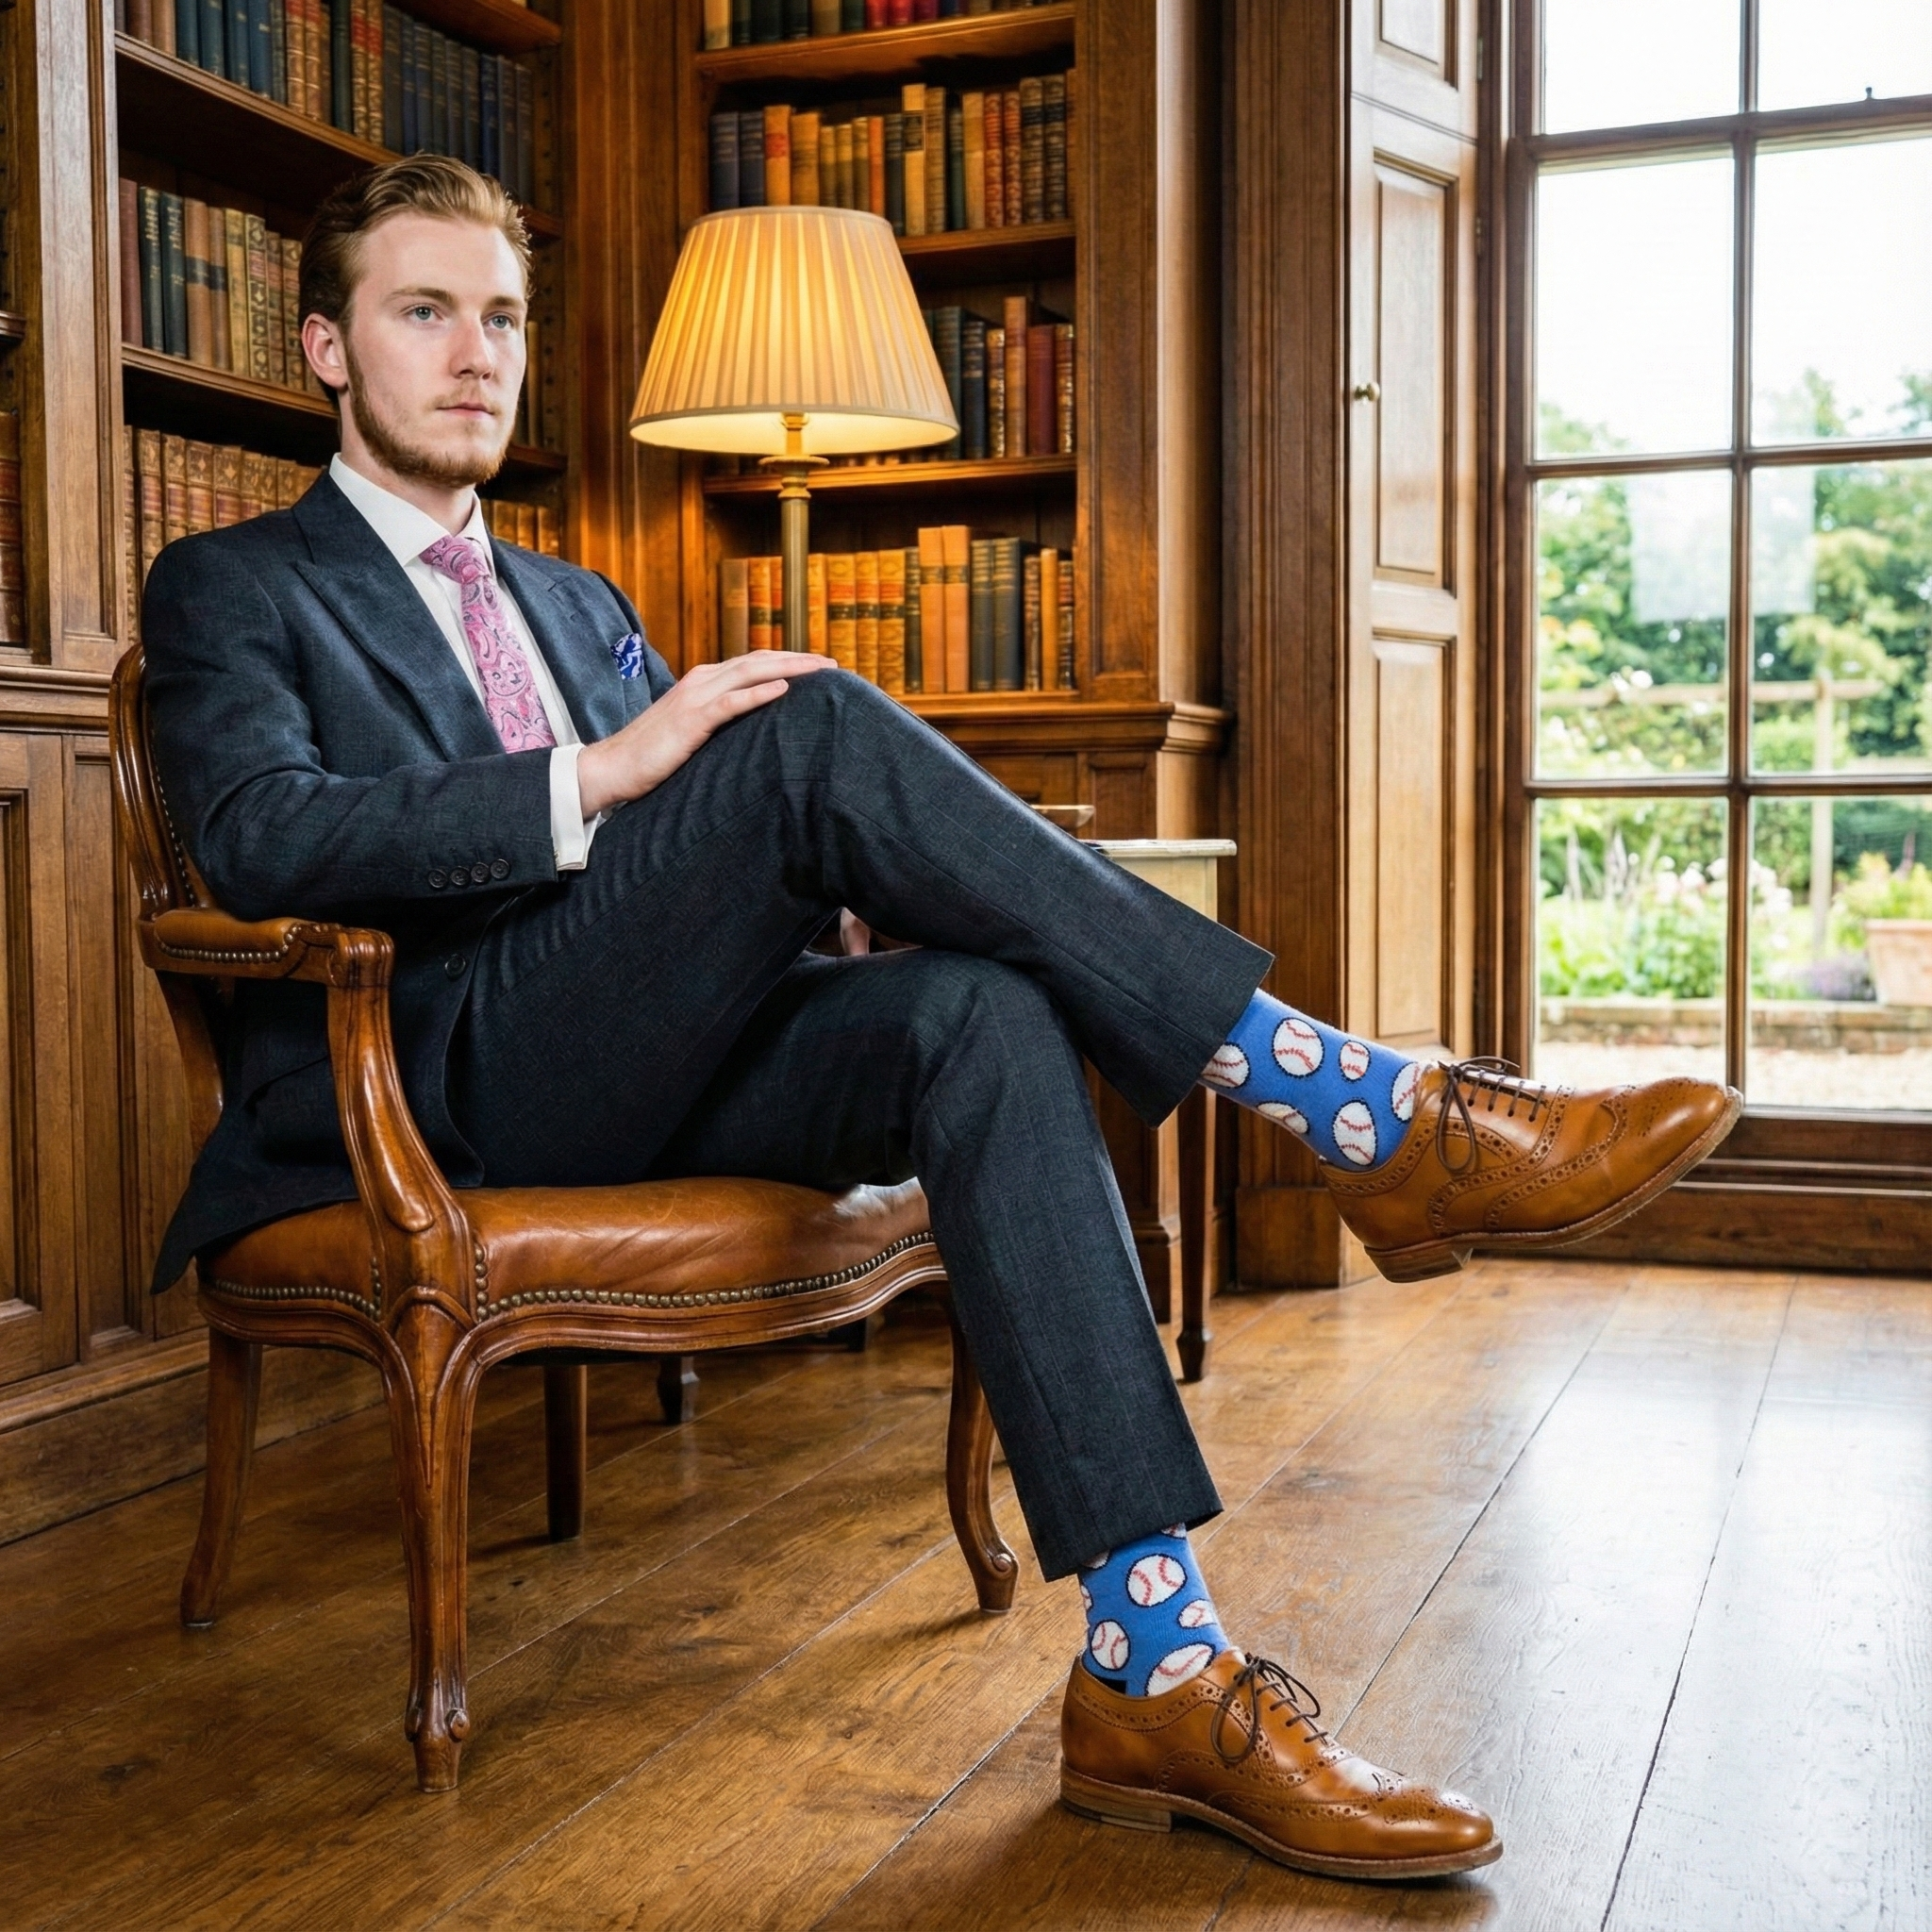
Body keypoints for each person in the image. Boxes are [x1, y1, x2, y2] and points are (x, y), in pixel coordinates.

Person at [141, 157, 1739, 1885]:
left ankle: (1157, 1663)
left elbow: (676, 886)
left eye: (505, 318)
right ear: (325, 346)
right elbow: (265, 835)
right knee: (807, 724)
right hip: (447, 1083)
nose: (477, 353)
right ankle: (1359, 1107)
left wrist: (808, 888)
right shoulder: (235, 584)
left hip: (652, 1054)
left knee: (977, 1007)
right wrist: (600, 772)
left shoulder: (578, 599)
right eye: (426, 312)